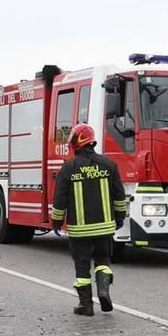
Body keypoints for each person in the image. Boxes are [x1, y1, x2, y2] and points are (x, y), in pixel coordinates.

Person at [50, 124, 128, 316]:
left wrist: (56, 223)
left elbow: (59, 201)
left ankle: (86, 305)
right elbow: (120, 196)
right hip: (105, 227)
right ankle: (103, 290)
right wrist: (119, 219)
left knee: (82, 265)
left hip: (80, 230)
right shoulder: (109, 165)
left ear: (76, 142)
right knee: (103, 259)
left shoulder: (68, 168)